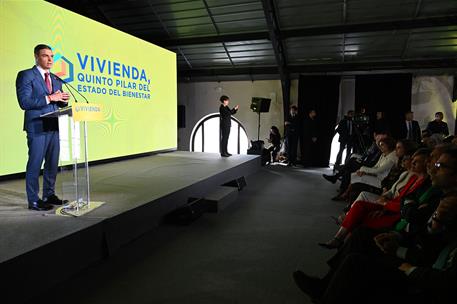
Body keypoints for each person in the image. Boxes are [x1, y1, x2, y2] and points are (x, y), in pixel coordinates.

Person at [16, 44, 70, 211]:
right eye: (46, 56)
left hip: (54, 124)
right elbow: (24, 102)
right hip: (37, 126)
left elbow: (58, 101)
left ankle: (49, 194)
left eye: (52, 56)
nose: (50, 59)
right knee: (35, 163)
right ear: (36, 57)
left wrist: (63, 100)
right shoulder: (26, 75)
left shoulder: (54, 78)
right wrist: (50, 97)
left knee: (52, 163)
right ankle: (33, 200)